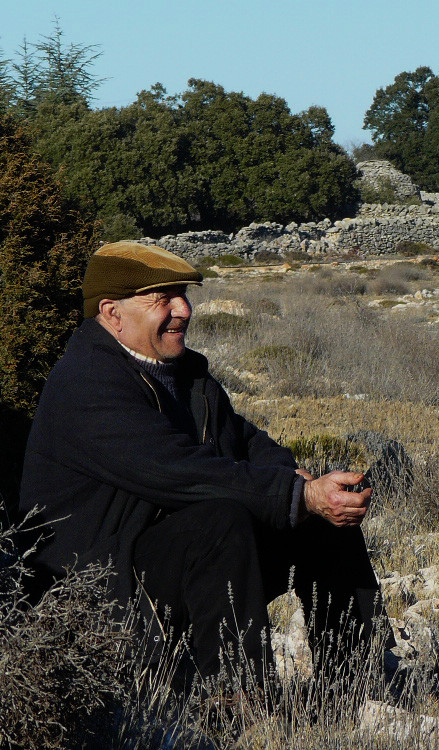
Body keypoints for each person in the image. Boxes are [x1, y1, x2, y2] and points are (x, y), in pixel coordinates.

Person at [19, 242, 385, 689]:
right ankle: (232, 702)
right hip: (101, 587)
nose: (183, 310)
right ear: (112, 312)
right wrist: (297, 496)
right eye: (163, 298)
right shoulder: (85, 382)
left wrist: (300, 483)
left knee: (323, 521)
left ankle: (358, 685)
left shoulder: (185, 373)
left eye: (184, 295)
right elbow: (179, 470)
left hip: (178, 558)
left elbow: (246, 441)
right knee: (222, 519)